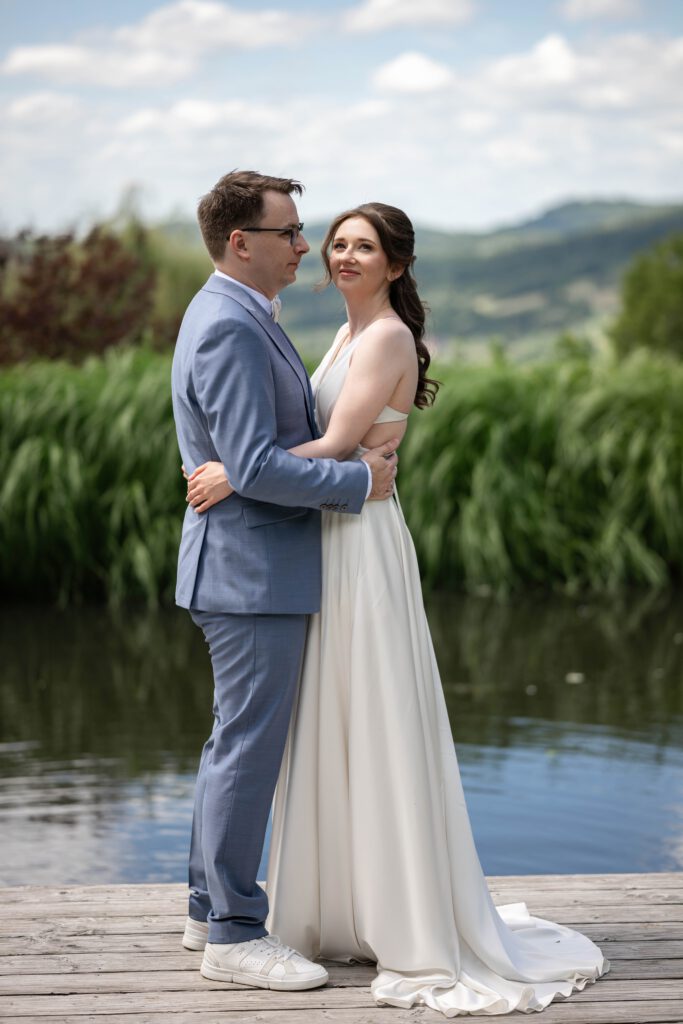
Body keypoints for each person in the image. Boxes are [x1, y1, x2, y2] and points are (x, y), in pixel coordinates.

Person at [184, 202, 609, 1015]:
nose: (340, 256)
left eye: (361, 247)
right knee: (329, 717)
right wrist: (255, 467)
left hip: (361, 544)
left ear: (396, 265)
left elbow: (342, 445)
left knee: (372, 713)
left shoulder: (381, 338)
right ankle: (336, 904)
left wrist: (237, 472)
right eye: (335, 243)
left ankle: (396, 910)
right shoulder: (346, 334)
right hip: (328, 537)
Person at [170, 172, 399, 993]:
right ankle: (233, 932)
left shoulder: (233, 313)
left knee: (232, 741)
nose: (306, 246)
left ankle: (208, 907)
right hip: (250, 573)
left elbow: (243, 463)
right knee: (245, 748)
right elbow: (257, 467)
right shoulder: (229, 325)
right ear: (243, 243)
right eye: (292, 233)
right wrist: (355, 485)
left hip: (245, 568)